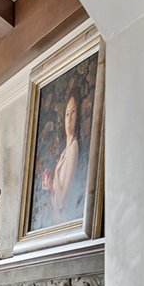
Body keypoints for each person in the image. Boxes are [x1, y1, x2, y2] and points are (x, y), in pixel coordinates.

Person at [36, 90, 85, 226]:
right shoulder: (65, 152)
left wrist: (56, 173)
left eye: (73, 112)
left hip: (66, 222)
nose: (69, 119)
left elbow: (63, 201)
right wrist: (50, 187)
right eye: (67, 114)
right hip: (58, 222)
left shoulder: (73, 148)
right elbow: (57, 202)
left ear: (78, 115)